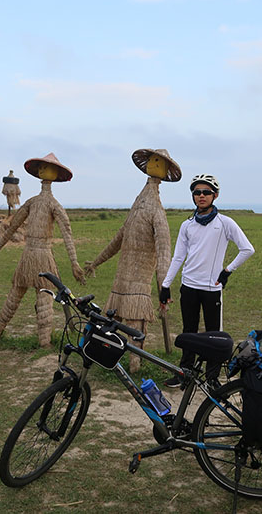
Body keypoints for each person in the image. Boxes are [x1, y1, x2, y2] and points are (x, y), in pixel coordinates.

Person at [83, 148, 181, 373]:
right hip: (121, 281)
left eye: (159, 162)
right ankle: (109, 360)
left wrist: (163, 288)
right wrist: (96, 262)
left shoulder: (157, 211)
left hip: (139, 285)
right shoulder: (139, 205)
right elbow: (119, 237)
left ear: (166, 170)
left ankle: (134, 368)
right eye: (153, 160)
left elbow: (164, 249)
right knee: (112, 323)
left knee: (135, 327)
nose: (153, 164)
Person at [159, 174, 255, 388]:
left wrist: (227, 271)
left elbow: (247, 249)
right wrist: (166, 285)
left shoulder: (225, 223)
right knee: (188, 331)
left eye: (206, 192)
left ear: (215, 195)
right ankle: (185, 373)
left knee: (215, 335)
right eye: (197, 192)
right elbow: (178, 257)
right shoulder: (188, 225)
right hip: (189, 286)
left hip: (212, 288)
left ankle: (212, 378)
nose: (201, 196)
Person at [0, 153, 86, 347]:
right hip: (28, 256)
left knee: (44, 301)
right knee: (14, 296)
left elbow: (67, 233)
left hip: (43, 257)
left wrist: (74, 263)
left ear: (55, 174)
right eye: (40, 167)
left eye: (46, 167)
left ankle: (44, 342)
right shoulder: (32, 203)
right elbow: (12, 226)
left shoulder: (53, 205)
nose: (42, 170)